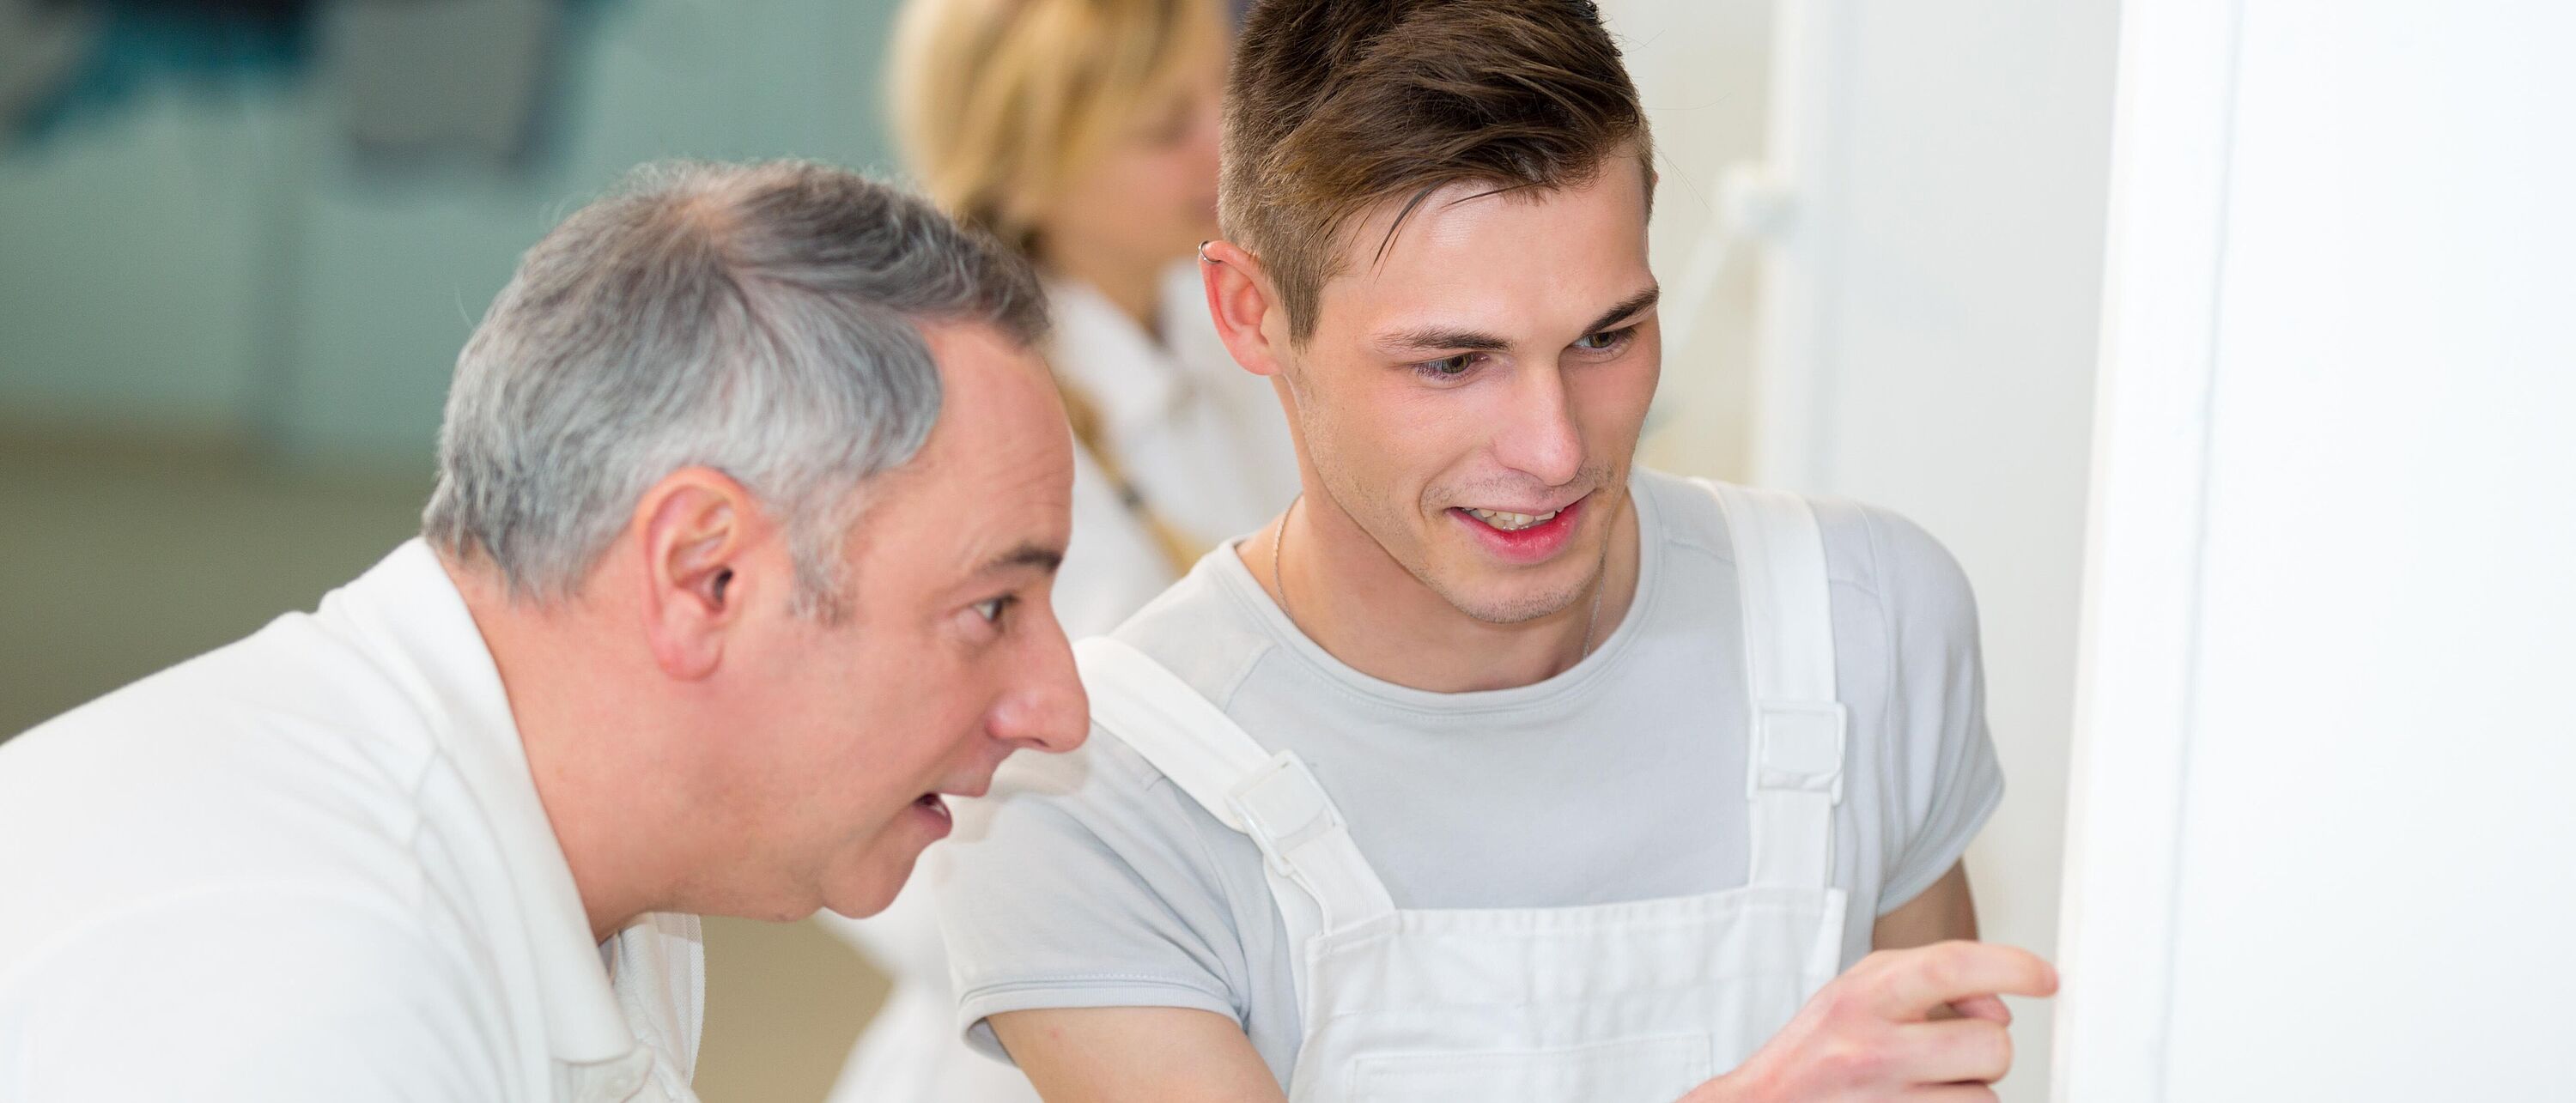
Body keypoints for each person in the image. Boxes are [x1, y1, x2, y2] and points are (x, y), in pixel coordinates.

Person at [933, 2, 2057, 1101]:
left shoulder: (1860, 623)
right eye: (1454, 363)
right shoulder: (1088, 793)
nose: (1554, 448)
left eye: (1606, 336)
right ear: (1251, 312)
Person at [0, 160, 1090, 1102]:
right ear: (704, 574)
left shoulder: (589, 880)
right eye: (991, 608)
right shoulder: (312, 1001)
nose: (1059, 708)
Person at [823, 2, 1296, 1100]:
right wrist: (1097, 969)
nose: (1219, 148)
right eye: (1161, 127)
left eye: (1220, 97)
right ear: (1028, 172)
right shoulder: (945, 428)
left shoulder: (1225, 338)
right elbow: (855, 819)